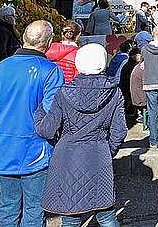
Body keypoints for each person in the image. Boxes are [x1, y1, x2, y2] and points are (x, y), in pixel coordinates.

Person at [0, 20, 64, 227]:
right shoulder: (51, 71)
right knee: (34, 210)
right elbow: (51, 115)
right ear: (49, 42)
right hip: (35, 148)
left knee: (8, 209)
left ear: (23, 39)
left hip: (4, 147)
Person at [35, 43, 127, 227]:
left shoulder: (64, 92)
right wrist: (107, 150)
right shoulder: (114, 92)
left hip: (67, 155)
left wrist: (39, 111)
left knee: (70, 216)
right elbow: (119, 131)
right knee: (106, 215)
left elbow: (46, 130)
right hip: (99, 153)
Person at [0, 5, 20, 71]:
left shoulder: (6, 30)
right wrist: (8, 66)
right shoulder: (1, 31)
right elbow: (0, 52)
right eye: (13, 16)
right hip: (4, 69)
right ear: (6, 17)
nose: (15, 18)